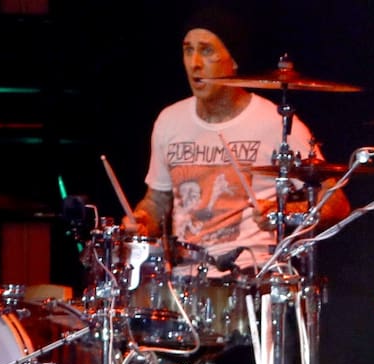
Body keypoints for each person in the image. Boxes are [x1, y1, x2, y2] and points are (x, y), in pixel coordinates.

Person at [127, 5, 351, 275]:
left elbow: (335, 202)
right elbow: (157, 201)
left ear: (233, 60)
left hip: (252, 275)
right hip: (183, 280)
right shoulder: (169, 120)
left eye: (206, 50)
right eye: (188, 50)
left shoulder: (274, 122)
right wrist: (142, 219)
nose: (194, 62)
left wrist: (283, 213)